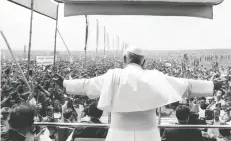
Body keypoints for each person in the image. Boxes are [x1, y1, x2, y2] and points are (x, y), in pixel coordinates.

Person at [53, 46, 214, 141]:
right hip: (149, 135)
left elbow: (86, 86)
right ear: (144, 62)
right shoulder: (154, 76)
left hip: (118, 135)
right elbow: (186, 86)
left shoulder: (113, 76)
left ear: (124, 59)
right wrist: (211, 86)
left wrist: (65, 83)